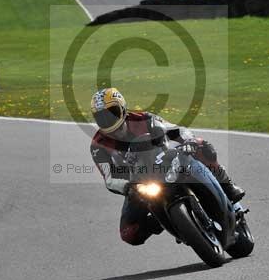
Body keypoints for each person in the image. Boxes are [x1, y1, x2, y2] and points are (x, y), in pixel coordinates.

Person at [89, 87, 245, 246]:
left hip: (165, 160)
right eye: (102, 117)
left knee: (202, 146)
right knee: (129, 233)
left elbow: (176, 130)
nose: (108, 120)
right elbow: (110, 178)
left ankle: (227, 184)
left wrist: (188, 141)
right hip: (139, 183)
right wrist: (128, 186)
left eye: (112, 112)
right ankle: (166, 221)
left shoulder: (144, 118)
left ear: (122, 108)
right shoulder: (97, 146)